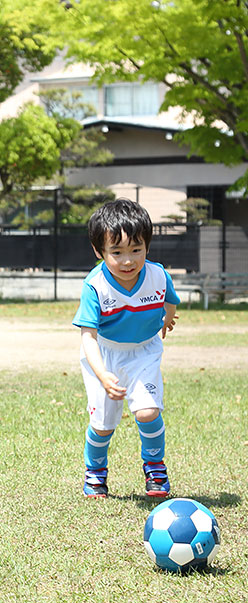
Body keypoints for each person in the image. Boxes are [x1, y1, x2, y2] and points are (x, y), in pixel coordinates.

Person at [72, 198, 179, 499]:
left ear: (147, 246)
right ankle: (95, 471)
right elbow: (88, 337)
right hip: (104, 356)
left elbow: (168, 299)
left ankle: (155, 468)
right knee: (103, 425)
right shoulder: (95, 286)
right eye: (116, 252)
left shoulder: (158, 274)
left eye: (136, 250)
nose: (128, 260)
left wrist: (167, 319)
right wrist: (103, 374)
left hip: (144, 351)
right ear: (99, 252)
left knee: (147, 412)